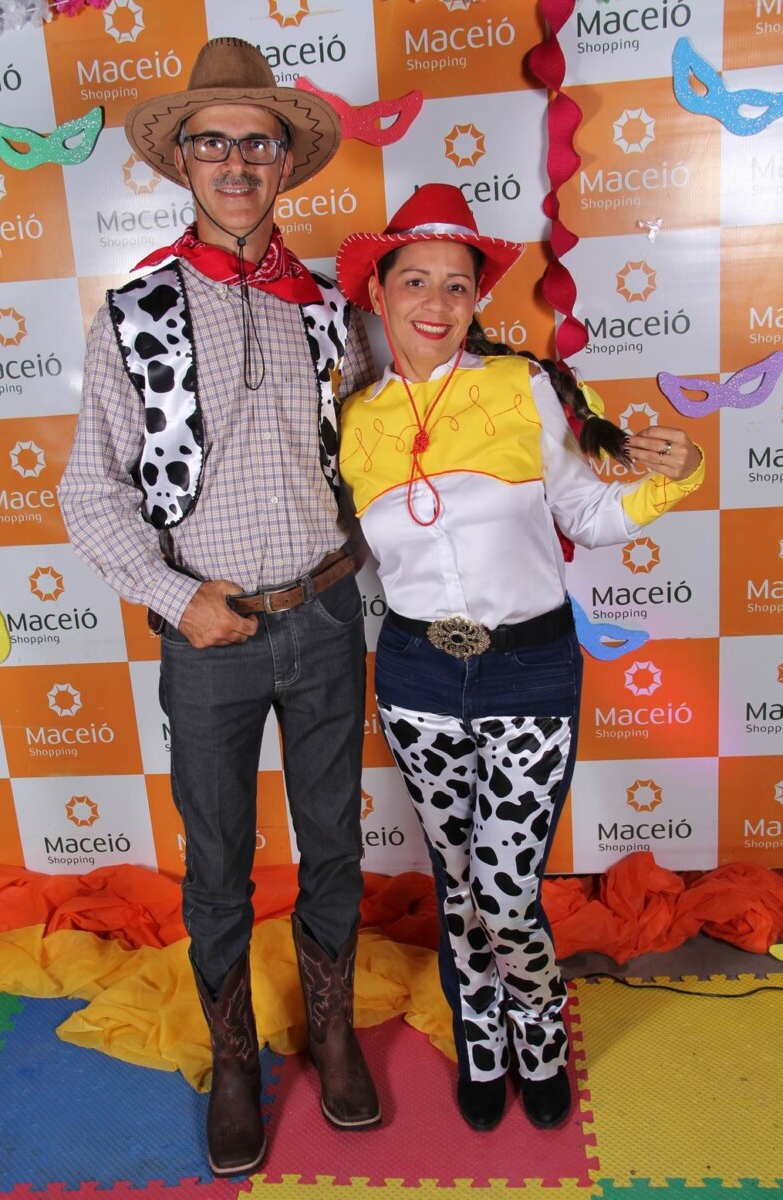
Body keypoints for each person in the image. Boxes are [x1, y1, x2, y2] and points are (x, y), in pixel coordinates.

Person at [58, 37, 380, 1177]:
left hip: (327, 618)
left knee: (334, 841)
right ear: (182, 161)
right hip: (211, 633)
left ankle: (331, 1033)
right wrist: (173, 596)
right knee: (216, 863)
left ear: (285, 161)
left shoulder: (333, 310)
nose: (236, 162)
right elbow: (88, 491)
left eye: (257, 142)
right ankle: (235, 1058)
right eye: (213, 142)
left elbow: (382, 452)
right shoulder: (134, 311)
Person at [334, 184, 704, 1134]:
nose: (436, 302)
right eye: (415, 280)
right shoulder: (355, 420)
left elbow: (590, 516)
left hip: (528, 671)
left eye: (457, 286)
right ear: (378, 293)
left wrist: (676, 480)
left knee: (505, 886)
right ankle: (482, 1037)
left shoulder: (522, 386)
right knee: (458, 879)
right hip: (416, 673)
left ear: (476, 301)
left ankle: (537, 1029)